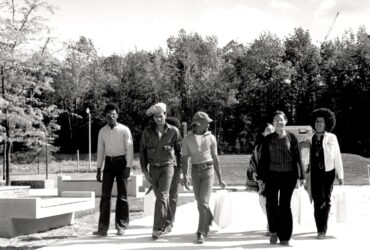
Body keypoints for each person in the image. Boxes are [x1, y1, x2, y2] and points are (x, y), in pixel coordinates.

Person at [257, 110, 304, 246]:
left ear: (286, 121)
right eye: (276, 120)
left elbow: (297, 157)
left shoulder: (292, 137)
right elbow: (263, 160)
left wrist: (300, 177)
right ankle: (273, 231)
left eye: (281, 119)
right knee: (271, 204)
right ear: (273, 123)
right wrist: (261, 178)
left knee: (285, 205)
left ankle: (285, 237)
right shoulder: (268, 139)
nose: (279, 122)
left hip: (288, 176)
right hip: (271, 175)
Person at [182, 111, 226, 244]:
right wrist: (185, 176)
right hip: (195, 171)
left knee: (203, 202)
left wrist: (220, 178)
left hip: (208, 170)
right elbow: (185, 159)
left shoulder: (211, 138)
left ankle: (201, 232)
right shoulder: (187, 139)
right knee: (199, 201)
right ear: (198, 124)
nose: (209, 124)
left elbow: (216, 158)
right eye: (207, 122)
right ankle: (209, 217)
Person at [139, 103, 182, 240]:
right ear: (153, 118)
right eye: (156, 117)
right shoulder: (147, 132)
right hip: (153, 169)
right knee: (161, 198)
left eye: (160, 116)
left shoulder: (173, 131)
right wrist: (145, 172)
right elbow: (142, 153)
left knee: (163, 196)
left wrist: (180, 170)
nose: (158, 119)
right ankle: (168, 222)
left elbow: (179, 152)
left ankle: (157, 228)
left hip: (168, 166)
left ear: (165, 115)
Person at [93, 103, 134, 236]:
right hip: (109, 164)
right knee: (105, 197)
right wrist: (99, 168)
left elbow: (130, 149)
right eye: (108, 114)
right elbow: (100, 150)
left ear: (117, 115)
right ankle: (102, 228)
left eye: (113, 114)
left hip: (122, 163)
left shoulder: (124, 130)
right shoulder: (102, 131)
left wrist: (128, 166)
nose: (111, 116)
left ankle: (121, 226)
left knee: (122, 196)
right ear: (105, 116)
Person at [306, 108, 344, 240]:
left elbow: (337, 156)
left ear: (326, 123)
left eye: (321, 122)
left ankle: (324, 228)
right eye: (317, 121)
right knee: (317, 201)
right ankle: (319, 230)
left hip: (328, 173)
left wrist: (340, 175)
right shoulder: (309, 138)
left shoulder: (332, 137)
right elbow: (305, 157)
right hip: (315, 174)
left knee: (326, 200)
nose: (319, 124)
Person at [246, 123, 274, 235]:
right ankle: (270, 220)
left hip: (276, 177)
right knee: (263, 202)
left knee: (275, 201)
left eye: (272, 129)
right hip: (262, 179)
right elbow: (253, 163)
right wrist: (253, 173)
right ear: (263, 133)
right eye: (268, 130)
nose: (271, 131)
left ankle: (271, 225)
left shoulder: (279, 144)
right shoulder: (258, 147)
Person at [163, 116, 182, 234]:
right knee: (163, 196)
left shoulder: (178, 139)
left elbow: (182, 156)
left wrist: (180, 172)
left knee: (173, 196)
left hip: (175, 169)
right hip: (162, 168)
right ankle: (165, 219)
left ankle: (169, 221)